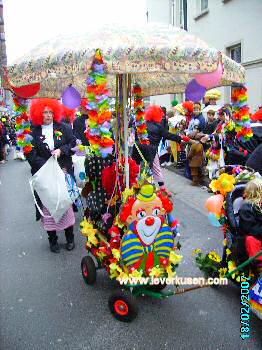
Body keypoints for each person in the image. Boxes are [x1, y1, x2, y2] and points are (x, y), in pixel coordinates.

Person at [27, 99, 77, 253]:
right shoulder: (33, 132)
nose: (48, 115)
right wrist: (50, 167)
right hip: (45, 177)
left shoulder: (64, 127)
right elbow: (30, 154)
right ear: (38, 114)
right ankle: (53, 241)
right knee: (48, 208)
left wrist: (62, 150)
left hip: (64, 173)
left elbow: (73, 144)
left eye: (50, 112)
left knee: (65, 206)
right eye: (44, 112)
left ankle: (70, 238)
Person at [145, 105, 189, 191]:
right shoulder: (158, 126)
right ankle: (156, 189)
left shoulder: (145, 124)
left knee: (148, 168)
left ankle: (156, 188)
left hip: (144, 149)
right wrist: (181, 138)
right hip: (152, 150)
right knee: (154, 169)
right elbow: (168, 135)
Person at [239, 178, 262, 274]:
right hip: (254, 236)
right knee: (251, 240)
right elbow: (250, 229)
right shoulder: (246, 208)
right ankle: (259, 266)